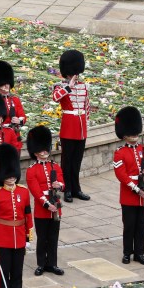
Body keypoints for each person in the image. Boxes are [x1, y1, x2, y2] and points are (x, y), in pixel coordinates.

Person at [0, 143, 33, 288]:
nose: (11, 178)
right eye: (8, 175)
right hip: (3, 239)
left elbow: (27, 215)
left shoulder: (23, 191)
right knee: (4, 274)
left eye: (13, 175)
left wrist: (28, 237)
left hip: (19, 238)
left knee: (17, 273)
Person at [112, 106, 144, 266]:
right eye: (131, 133)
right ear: (125, 135)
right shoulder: (120, 152)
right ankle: (127, 253)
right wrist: (135, 188)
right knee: (129, 226)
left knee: (142, 225)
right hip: (130, 195)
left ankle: (139, 253)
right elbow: (121, 175)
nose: (134, 136)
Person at [25, 126, 65, 277]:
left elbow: (62, 181)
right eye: (41, 150)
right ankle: (41, 264)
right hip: (43, 209)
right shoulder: (31, 170)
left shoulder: (55, 166)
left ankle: (52, 264)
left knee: (53, 238)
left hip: (56, 207)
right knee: (42, 239)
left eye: (45, 150)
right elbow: (35, 191)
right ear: (35, 152)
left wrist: (59, 185)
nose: (44, 153)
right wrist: (47, 205)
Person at [52, 49, 91, 203]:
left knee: (77, 161)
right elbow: (56, 98)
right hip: (68, 126)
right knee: (66, 161)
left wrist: (86, 125)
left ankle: (76, 189)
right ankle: (67, 189)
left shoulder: (84, 86)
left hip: (81, 127)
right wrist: (69, 86)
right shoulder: (60, 86)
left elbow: (86, 106)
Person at [0, 61, 26, 141]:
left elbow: (22, 116)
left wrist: (19, 120)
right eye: (2, 84)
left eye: (7, 83)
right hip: (1, 136)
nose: (6, 86)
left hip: (15, 136)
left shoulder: (15, 99)